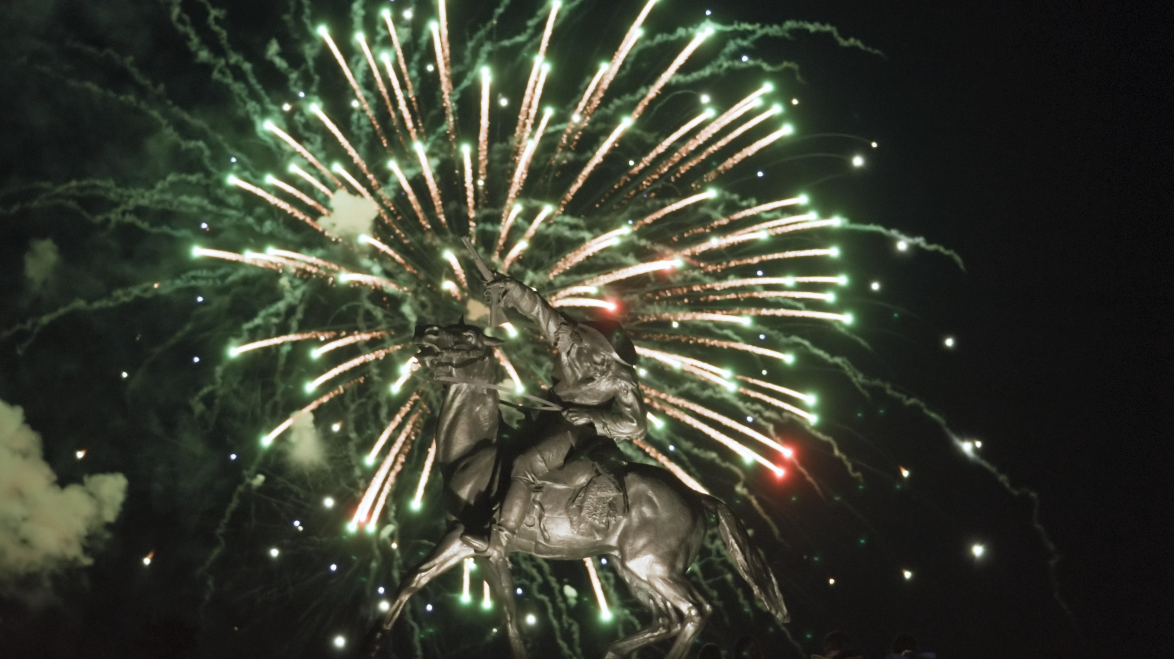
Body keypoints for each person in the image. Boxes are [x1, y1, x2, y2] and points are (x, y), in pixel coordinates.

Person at [462, 274, 646, 556]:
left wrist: (592, 418)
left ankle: (500, 540)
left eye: (606, 359)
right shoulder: (572, 343)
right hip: (549, 417)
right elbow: (540, 310)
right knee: (500, 451)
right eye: (597, 352)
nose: (598, 363)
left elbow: (635, 425)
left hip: (580, 433)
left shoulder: (621, 379)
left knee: (524, 464)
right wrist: (513, 288)